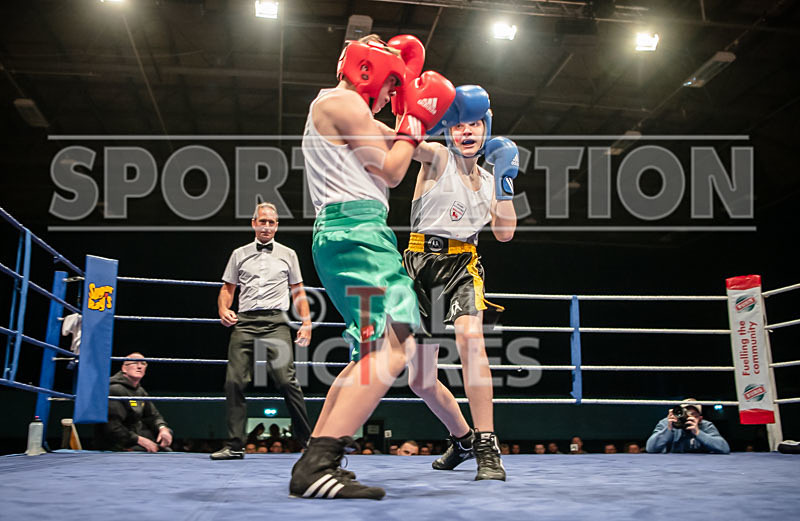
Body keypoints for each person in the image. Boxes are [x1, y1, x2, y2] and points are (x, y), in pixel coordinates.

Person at [289, 33, 455, 500]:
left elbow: (421, 152)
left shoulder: (345, 112)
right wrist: (415, 114)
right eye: (390, 87)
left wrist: (431, 130)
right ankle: (318, 463)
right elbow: (391, 169)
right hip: (358, 236)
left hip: (349, 236)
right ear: (369, 72)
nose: (389, 98)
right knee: (399, 346)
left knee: (372, 354)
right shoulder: (341, 103)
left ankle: (314, 462)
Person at [402, 85, 519, 482]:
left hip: (463, 264)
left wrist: (505, 181)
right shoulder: (436, 158)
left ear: (486, 128)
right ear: (449, 129)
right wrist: (411, 111)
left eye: (475, 124)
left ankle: (487, 444)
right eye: (459, 126)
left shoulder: (491, 180)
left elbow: (505, 233)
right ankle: (463, 439)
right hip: (420, 265)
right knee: (420, 380)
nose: (467, 132)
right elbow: (402, 144)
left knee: (471, 338)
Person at [210, 202, 314, 460]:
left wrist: (307, 322)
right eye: (262, 221)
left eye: (271, 222)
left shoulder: (288, 254)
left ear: (276, 226)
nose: (266, 226)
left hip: (276, 322)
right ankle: (235, 445)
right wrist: (223, 309)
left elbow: (298, 291)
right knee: (233, 381)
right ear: (254, 223)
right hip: (244, 322)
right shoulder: (239, 254)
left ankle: (308, 442)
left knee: (286, 380)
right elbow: (227, 289)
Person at [94, 352, 173, 452]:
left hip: (134, 438)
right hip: (117, 443)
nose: (139, 366)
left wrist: (163, 429)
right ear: (124, 368)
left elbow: (153, 416)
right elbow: (113, 427)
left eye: (143, 364)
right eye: (135, 363)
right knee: (147, 452)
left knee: (166, 449)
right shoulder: (114, 389)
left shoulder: (140, 391)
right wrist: (140, 440)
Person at [645, 399, 730, 454]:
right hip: (672, 466)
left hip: (701, 465)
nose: (688, 417)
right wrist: (668, 429)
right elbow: (650, 448)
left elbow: (724, 448)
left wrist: (698, 432)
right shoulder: (667, 423)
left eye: (693, 415)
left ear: (700, 419)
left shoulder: (705, 425)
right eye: (685, 413)